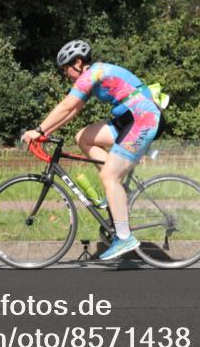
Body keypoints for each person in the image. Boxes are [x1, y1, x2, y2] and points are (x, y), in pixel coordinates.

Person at [21, 40, 162, 261]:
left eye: (65, 68)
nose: (65, 73)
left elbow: (66, 106)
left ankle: (124, 236)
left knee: (108, 176)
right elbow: (72, 111)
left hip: (141, 119)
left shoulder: (92, 74)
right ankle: (115, 190)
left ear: (78, 63)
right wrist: (45, 132)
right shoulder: (93, 77)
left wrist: (38, 130)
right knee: (83, 138)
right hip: (129, 118)